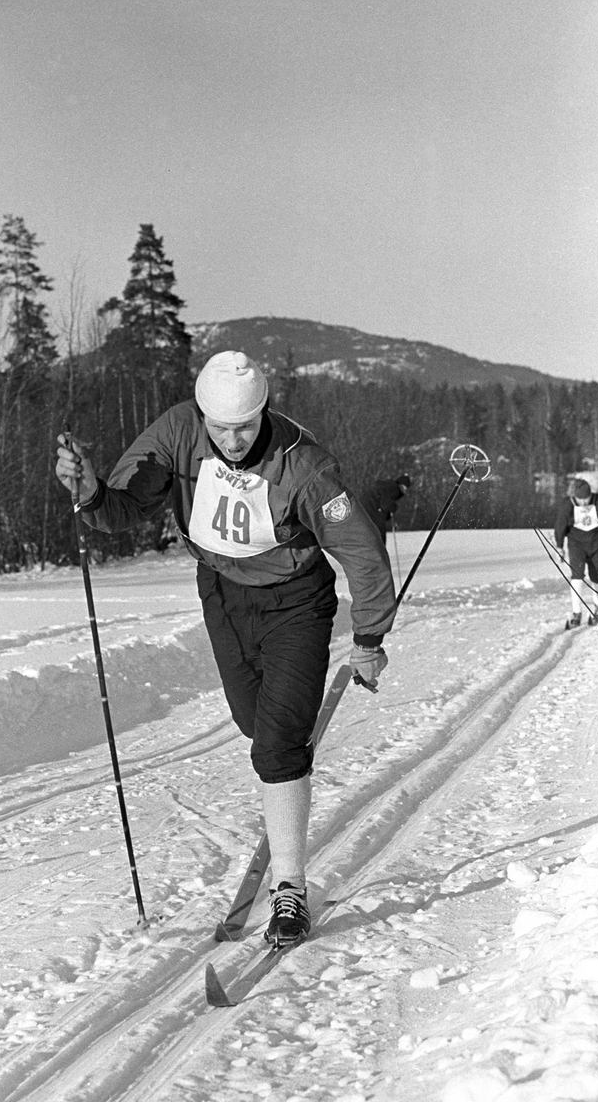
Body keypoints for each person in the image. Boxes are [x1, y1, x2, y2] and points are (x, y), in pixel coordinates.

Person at [56, 351, 396, 947]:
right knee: (254, 722)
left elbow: (363, 553)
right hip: (222, 591)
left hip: (296, 602)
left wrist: (368, 638)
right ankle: (281, 765)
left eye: (245, 427)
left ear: (264, 411)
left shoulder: (304, 466)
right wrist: (89, 494)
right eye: (221, 428)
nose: (233, 441)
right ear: (202, 416)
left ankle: (290, 890)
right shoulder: (177, 430)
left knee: (279, 741)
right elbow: (124, 506)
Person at [554, 477, 598, 629]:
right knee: (577, 575)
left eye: (586, 499)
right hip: (576, 543)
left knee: (596, 574)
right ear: (574, 497)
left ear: (591, 495)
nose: (583, 502)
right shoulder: (567, 504)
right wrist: (559, 546)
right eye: (579, 499)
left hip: (595, 541)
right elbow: (560, 525)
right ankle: (576, 612)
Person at [358, 474, 412, 542]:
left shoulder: (387, 486)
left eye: (405, 489)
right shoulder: (393, 488)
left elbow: (384, 503)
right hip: (371, 508)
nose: (403, 490)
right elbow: (386, 505)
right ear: (399, 484)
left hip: (363, 507)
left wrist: (388, 513)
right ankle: (379, 551)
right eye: (403, 487)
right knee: (379, 531)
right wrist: (393, 507)